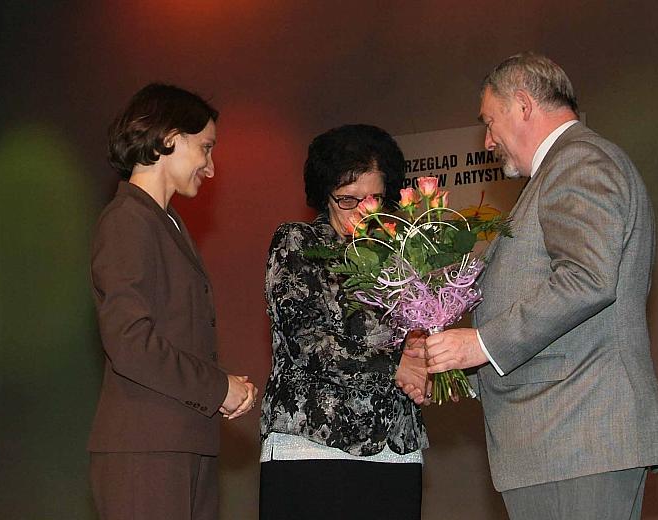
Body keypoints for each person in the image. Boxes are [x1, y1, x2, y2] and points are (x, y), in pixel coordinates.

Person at [416, 52, 658, 518]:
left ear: (524, 105)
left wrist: (482, 344)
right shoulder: (564, 170)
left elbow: (588, 279)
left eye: (490, 123)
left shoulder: (580, 162)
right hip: (564, 440)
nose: (488, 141)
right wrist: (458, 366)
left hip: (576, 436)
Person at [88, 83, 258, 520]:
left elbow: (170, 337)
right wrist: (216, 386)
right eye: (206, 148)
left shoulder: (166, 223)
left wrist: (219, 384)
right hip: (148, 450)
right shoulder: (128, 220)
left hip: (181, 443)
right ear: (168, 138)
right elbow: (129, 343)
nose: (211, 166)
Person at [259, 124, 430, 520]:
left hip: (396, 450)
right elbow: (309, 342)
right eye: (348, 199)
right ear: (325, 194)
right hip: (315, 447)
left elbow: (414, 334)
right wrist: (396, 366)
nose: (363, 210)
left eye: (374, 198)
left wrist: (423, 358)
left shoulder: (399, 255)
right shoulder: (298, 243)